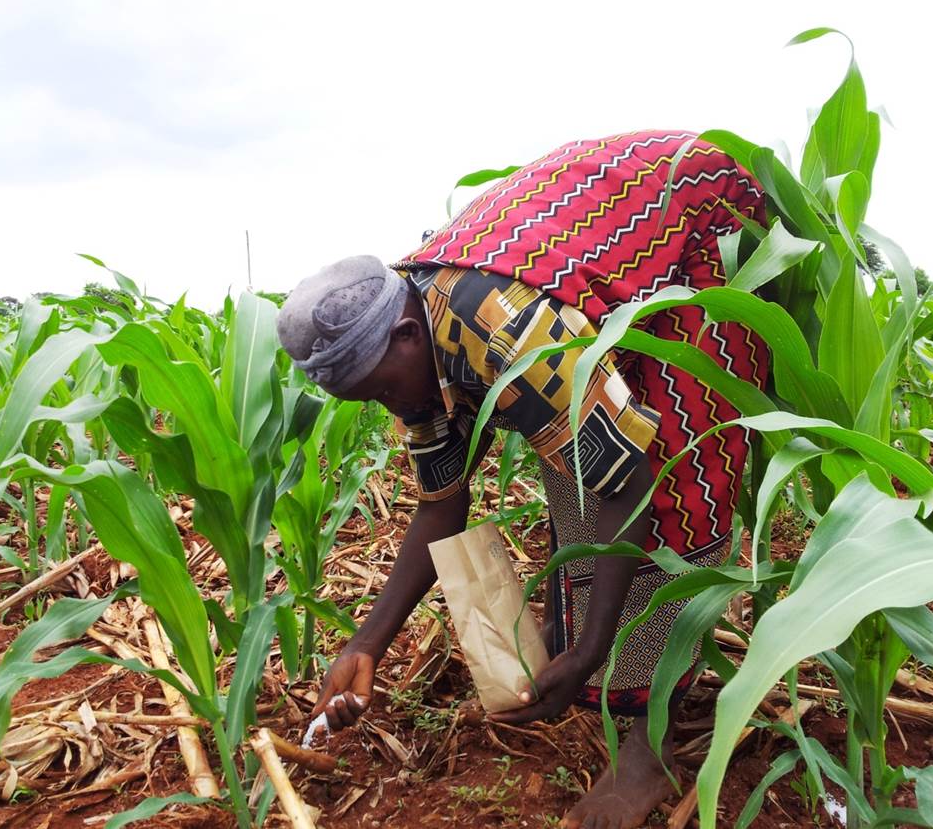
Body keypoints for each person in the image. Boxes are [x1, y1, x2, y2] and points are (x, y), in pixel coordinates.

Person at [276, 131, 769, 829]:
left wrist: (592, 648)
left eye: (384, 390)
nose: (394, 410)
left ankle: (645, 744)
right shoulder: (419, 358)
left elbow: (628, 481)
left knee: (674, 479)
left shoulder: (500, 331)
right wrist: (366, 644)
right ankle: (579, 628)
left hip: (698, 237)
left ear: (408, 337)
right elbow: (440, 505)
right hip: (591, 287)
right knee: (575, 451)